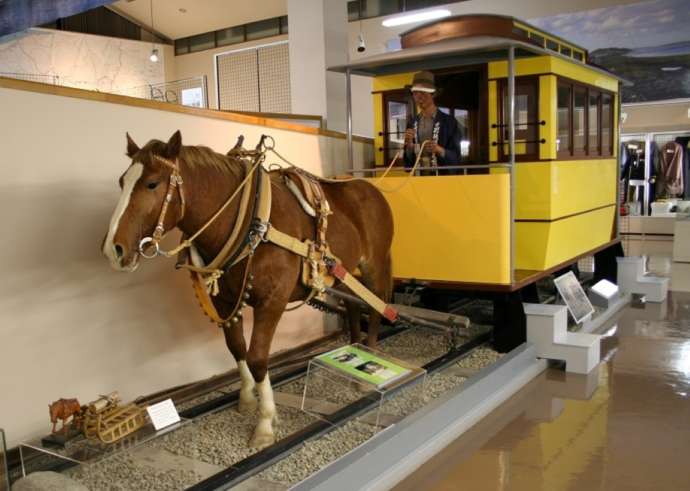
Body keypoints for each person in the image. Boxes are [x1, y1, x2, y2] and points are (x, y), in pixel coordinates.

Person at [403, 71, 462, 175]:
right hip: (418, 178)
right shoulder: (412, 123)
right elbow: (408, 163)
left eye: (423, 92)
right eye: (416, 93)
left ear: (433, 94)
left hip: (443, 179)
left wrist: (439, 150)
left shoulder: (449, 122)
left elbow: (456, 157)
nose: (419, 97)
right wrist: (409, 147)